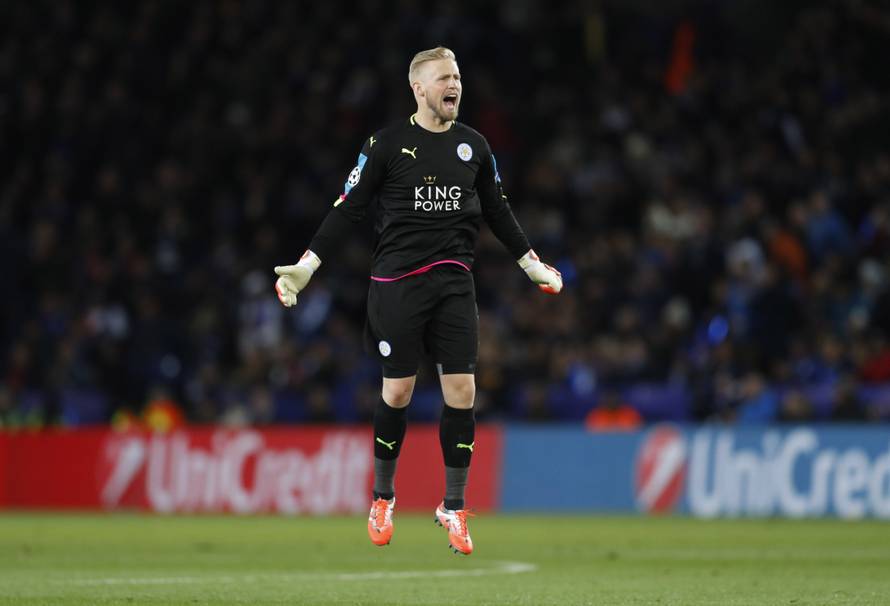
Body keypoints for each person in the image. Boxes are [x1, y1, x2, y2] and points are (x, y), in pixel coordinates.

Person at [273, 47, 562, 555]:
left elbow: (498, 211)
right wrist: (307, 265)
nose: (455, 85)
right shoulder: (386, 145)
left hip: (454, 282)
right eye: (444, 77)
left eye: (458, 76)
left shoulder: (475, 146)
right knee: (399, 391)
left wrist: (530, 262)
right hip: (397, 285)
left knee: (463, 390)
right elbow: (348, 208)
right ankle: (383, 497)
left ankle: (453, 506)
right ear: (419, 89)